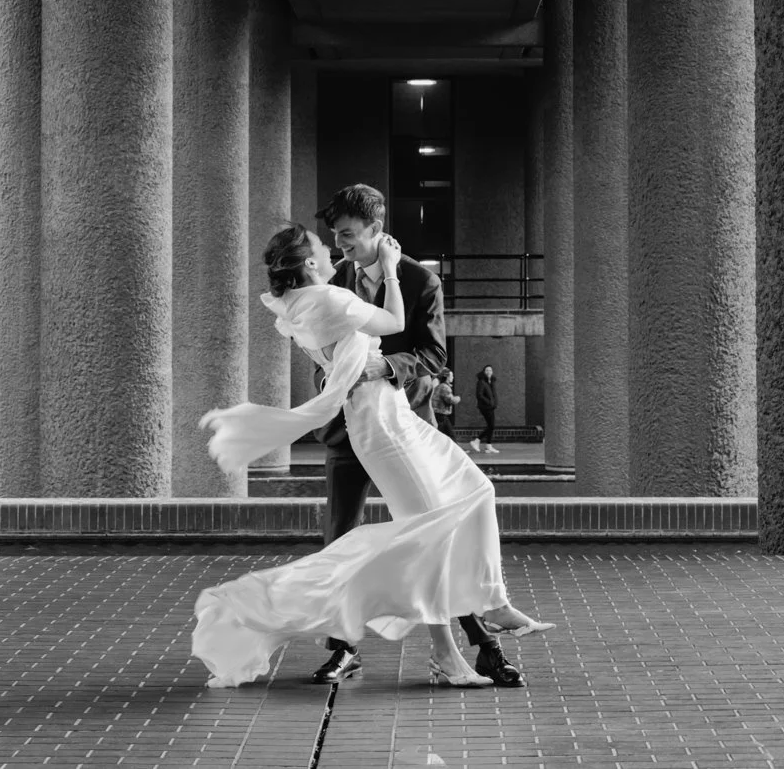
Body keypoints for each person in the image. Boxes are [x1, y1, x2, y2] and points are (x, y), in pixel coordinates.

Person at [192, 219, 552, 689]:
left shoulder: (297, 302)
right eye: (327, 243)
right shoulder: (332, 296)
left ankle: (483, 615)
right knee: (425, 532)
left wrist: (372, 353)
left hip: (395, 415)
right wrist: (390, 271)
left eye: (342, 237)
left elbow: (419, 353)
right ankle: (459, 637)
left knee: (474, 492)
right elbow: (393, 324)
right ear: (309, 263)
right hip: (377, 426)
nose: (335, 249)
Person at [312, 183, 528, 687]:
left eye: (348, 235)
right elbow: (322, 355)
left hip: (404, 426)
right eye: (335, 236)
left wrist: (383, 366)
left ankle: (485, 646)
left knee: (437, 534)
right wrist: (328, 378)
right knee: (339, 538)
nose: (340, 245)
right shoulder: (333, 281)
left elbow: (433, 356)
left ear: (376, 230)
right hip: (346, 432)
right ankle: (343, 648)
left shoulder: (418, 280)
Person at [471, 364, 499, 454]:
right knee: (491, 426)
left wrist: (494, 403)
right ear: (484, 372)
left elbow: (493, 395)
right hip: (485, 407)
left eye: (490, 370)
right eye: (487, 370)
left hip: (491, 407)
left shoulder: (491, 382)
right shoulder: (481, 382)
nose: (488, 372)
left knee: (491, 426)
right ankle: (477, 441)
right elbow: (479, 395)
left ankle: (488, 446)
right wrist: (489, 402)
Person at [431, 370, 461, 441]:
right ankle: (455, 451)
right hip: (441, 414)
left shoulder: (441, 385)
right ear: (447, 377)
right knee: (450, 435)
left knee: (440, 434)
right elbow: (450, 400)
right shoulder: (445, 387)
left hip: (438, 413)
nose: (453, 377)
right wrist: (458, 398)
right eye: (451, 375)